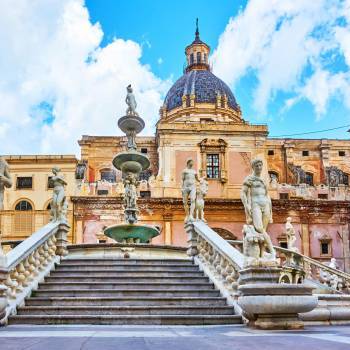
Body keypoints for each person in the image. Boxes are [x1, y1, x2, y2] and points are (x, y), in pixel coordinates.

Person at [241, 158, 275, 259]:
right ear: (253, 167)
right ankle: (272, 250)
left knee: (262, 231)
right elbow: (243, 192)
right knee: (259, 228)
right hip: (255, 204)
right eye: (257, 166)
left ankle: (261, 254)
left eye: (260, 165)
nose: (259, 167)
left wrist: (271, 212)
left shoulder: (264, 180)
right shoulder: (249, 179)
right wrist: (246, 205)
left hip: (266, 205)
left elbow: (267, 195)